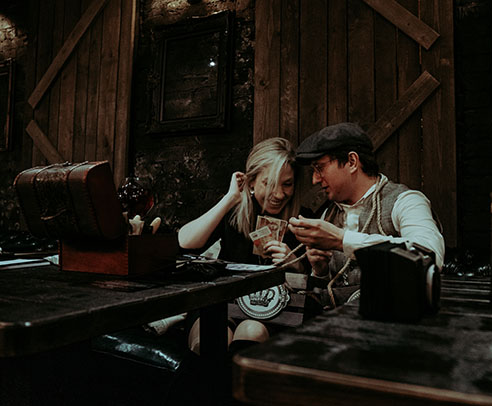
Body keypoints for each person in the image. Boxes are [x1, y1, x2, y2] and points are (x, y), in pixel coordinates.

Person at [288, 122, 444, 308]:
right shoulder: (328, 215)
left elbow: (429, 258)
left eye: (319, 168)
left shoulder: (406, 201)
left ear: (352, 162)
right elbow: (325, 294)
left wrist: (341, 240)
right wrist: (320, 271)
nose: (314, 179)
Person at [178, 137, 305, 354]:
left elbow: (316, 278)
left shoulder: (302, 221)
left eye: (287, 184)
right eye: (269, 184)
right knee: (211, 335)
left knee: (251, 330)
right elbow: (185, 243)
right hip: (223, 304)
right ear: (251, 181)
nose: (279, 194)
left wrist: (295, 263)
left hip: (273, 315)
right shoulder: (234, 213)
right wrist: (230, 198)